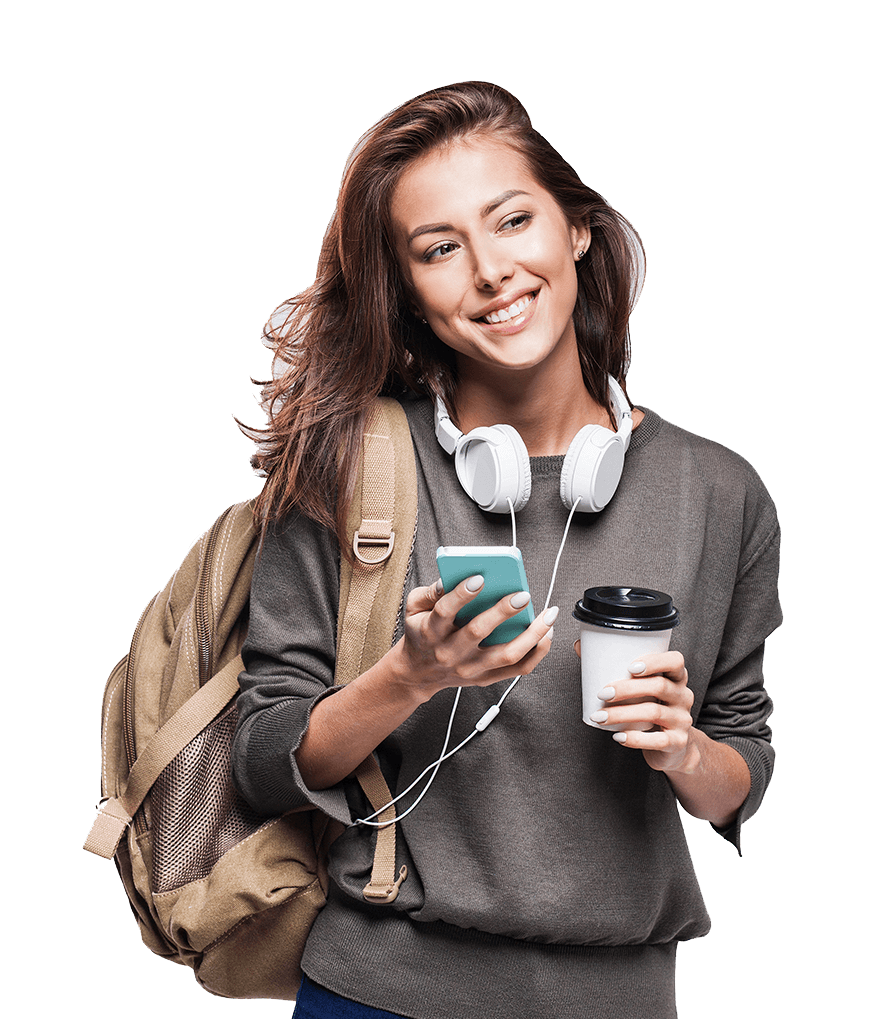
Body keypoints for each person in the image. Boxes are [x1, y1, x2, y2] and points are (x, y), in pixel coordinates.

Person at [231, 81, 782, 1019]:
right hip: (377, 993)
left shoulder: (719, 490)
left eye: (513, 220)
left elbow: (742, 773)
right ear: (405, 292)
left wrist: (685, 748)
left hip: (621, 1001)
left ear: (577, 230)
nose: (490, 271)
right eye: (439, 249)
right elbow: (260, 759)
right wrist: (408, 675)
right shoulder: (345, 465)